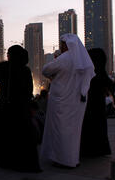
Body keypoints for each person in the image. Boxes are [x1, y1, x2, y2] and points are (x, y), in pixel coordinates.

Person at [40, 34, 95, 169]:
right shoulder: (84, 60)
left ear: (66, 45)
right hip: (77, 100)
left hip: (61, 100)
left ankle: (62, 159)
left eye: (62, 44)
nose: (61, 47)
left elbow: (46, 70)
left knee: (60, 129)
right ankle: (72, 158)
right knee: (74, 131)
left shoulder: (64, 58)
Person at [0, 45, 41, 172]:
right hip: (21, 109)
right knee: (22, 136)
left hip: (6, 109)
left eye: (8, 54)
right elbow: (29, 90)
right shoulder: (25, 70)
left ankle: (5, 160)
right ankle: (22, 162)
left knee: (5, 136)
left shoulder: (1, 68)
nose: (7, 56)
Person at [80, 48, 113, 157]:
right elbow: (111, 86)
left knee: (89, 126)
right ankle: (101, 148)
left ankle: (89, 149)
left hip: (89, 104)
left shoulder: (89, 73)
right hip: (99, 104)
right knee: (100, 125)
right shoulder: (102, 73)